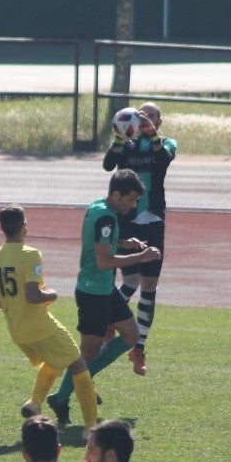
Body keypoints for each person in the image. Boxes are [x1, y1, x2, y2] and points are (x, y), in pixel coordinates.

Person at [46, 169, 161, 425]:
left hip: (105, 290)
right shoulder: (106, 219)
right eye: (130, 200)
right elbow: (103, 261)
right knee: (88, 353)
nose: (133, 206)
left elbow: (100, 243)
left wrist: (124, 243)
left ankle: (80, 383)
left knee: (131, 335)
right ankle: (62, 396)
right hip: (92, 293)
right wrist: (140, 257)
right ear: (117, 194)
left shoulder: (98, 207)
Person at [0, 205, 98, 426]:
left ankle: (34, 403)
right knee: (78, 362)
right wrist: (51, 293)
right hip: (39, 326)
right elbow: (32, 295)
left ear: (2, 228)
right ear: (24, 226)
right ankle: (91, 427)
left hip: (17, 330)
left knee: (55, 359)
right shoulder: (30, 254)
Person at [102, 102, 176, 375]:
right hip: (128, 220)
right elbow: (108, 165)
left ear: (159, 121)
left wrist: (152, 133)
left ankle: (139, 348)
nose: (145, 119)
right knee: (130, 281)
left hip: (153, 221)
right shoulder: (128, 145)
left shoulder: (167, 143)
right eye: (142, 115)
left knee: (149, 288)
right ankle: (111, 322)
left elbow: (163, 159)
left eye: (152, 116)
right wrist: (119, 139)